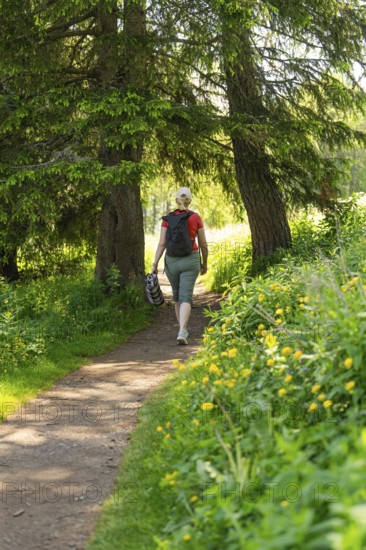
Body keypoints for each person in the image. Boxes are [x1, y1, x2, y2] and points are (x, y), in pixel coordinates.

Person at [151, 187, 208, 345]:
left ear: (176, 200)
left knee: (177, 296)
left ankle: (182, 329)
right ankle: (182, 330)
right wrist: (205, 263)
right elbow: (203, 243)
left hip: (172, 260)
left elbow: (162, 243)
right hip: (191, 260)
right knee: (186, 296)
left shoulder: (167, 219)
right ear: (190, 200)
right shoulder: (195, 217)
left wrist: (154, 264)